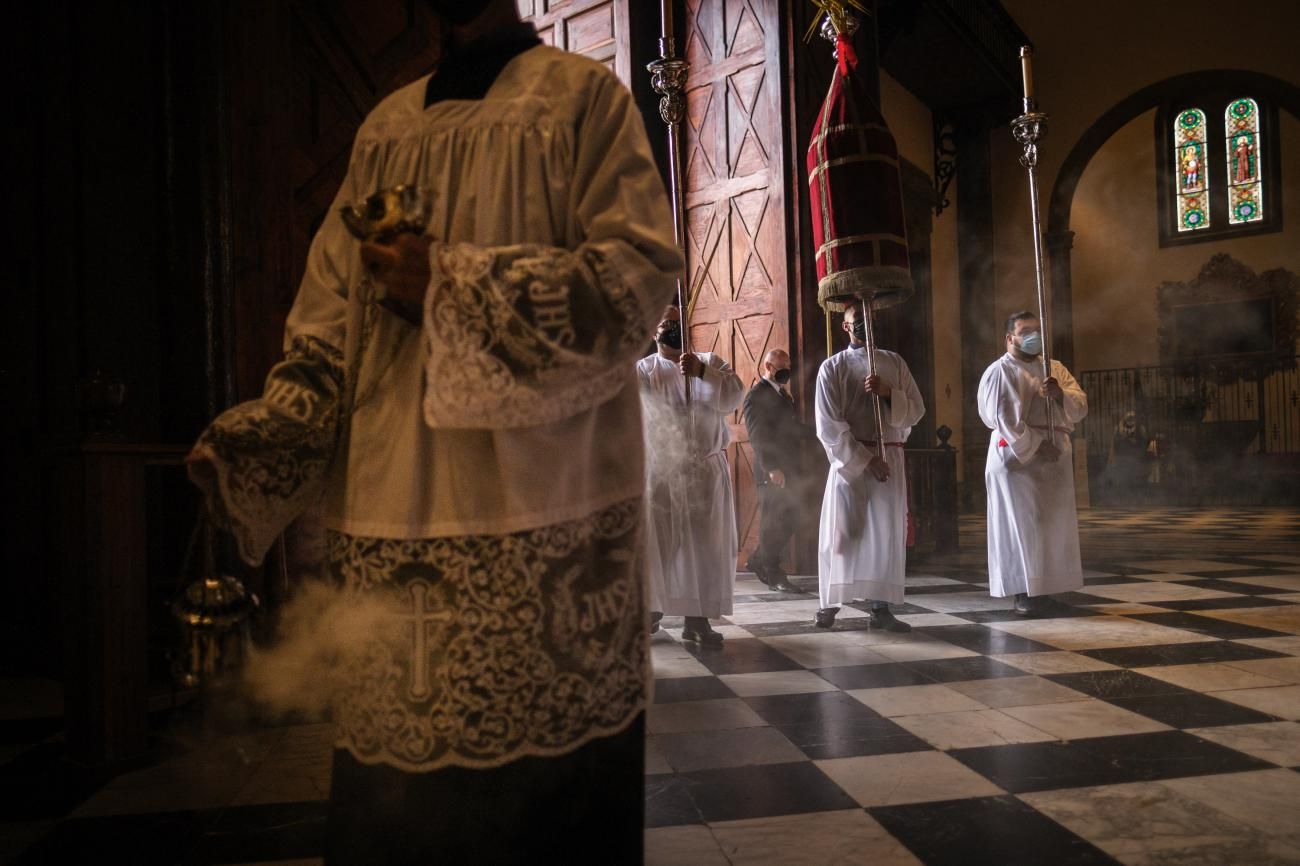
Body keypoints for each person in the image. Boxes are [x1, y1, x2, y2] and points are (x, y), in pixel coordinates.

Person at [185, 3, 681, 862]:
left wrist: (446, 281)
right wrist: (265, 437)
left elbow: (635, 286)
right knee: (397, 817)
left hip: (547, 510)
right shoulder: (384, 127)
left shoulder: (583, 100)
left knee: (545, 817)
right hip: (391, 506)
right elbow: (327, 324)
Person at [813, 304, 924, 630]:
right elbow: (828, 425)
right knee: (844, 533)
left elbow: (916, 409)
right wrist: (865, 460)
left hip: (890, 457)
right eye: (857, 321)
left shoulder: (894, 362)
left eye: (870, 320)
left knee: (885, 534)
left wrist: (889, 393)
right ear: (845, 327)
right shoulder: (832, 368)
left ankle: (881, 606)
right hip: (851, 462)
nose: (865, 325)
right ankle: (830, 602)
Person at [639, 305, 745, 646]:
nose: (671, 328)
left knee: (703, 546)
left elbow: (734, 396)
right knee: (663, 545)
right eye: (665, 322)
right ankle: (652, 611)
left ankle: (696, 620)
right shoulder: (643, 370)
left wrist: (702, 372)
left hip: (706, 470)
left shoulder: (710, 360)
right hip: (663, 471)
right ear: (653, 329)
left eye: (676, 322)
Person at [979, 310, 1088, 617]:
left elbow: (1079, 406)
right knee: (1023, 526)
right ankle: (1023, 592)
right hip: (1018, 460)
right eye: (1025, 330)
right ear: (1009, 338)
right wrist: (1040, 447)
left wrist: (1059, 394)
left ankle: (1045, 588)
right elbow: (1004, 419)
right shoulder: (999, 371)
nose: (1033, 336)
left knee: (1050, 526)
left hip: (1053, 457)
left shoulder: (1054, 368)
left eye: (1037, 330)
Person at [742, 349, 805, 592]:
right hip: (773, 470)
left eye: (788, 365)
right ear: (768, 365)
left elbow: (789, 429)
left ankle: (759, 560)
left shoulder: (781, 395)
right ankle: (773, 572)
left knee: (791, 517)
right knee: (773, 521)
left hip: (790, 468)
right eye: (782, 366)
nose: (786, 370)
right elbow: (757, 434)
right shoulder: (757, 395)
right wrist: (771, 467)